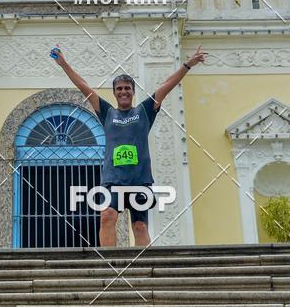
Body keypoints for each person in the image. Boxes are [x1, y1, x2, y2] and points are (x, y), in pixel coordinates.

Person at [52, 44, 207, 247]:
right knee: (107, 216)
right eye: (119, 89)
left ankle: (143, 269)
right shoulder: (107, 112)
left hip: (139, 180)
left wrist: (188, 65)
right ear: (114, 93)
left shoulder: (144, 111)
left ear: (133, 92)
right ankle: (111, 266)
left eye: (127, 88)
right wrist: (63, 64)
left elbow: (167, 86)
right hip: (113, 180)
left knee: (140, 227)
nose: (123, 91)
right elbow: (83, 86)